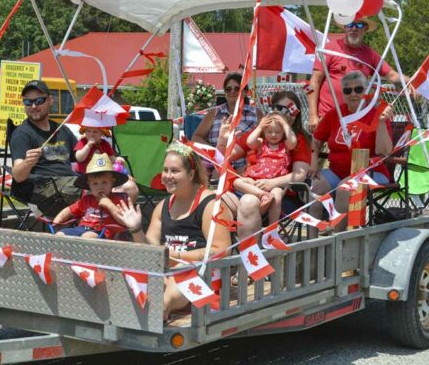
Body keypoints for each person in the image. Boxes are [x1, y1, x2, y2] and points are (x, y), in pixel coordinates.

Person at [116, 142, 232, 319]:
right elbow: (150, 250)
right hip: (167, 272)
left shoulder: (211, 205)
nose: (167, 176)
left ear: (191, 174)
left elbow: (221, 250)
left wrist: (175, 257)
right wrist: (136, 228)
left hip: (201, 274)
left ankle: (161, 309)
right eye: (165, 170)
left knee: (178, 278)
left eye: (175, 171)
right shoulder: (162, 207)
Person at [219, 91, 311, 240]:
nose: (283, 113)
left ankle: (251, 256)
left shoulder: (296, 139)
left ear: (296, 113)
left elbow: (299, 174)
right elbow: (225, 157)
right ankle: (222, 254)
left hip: (278, 192)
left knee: (248, 203)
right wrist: (223, 140)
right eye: (279, 108)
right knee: (215, 203)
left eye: (289, 110)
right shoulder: (262, 133)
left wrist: (270, 183)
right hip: (249, 184)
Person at [310, 71, 393, 229]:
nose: (353, 94)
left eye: (358, 89)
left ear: (366, 91)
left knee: (344, 188)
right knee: (315, 188)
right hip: (337, 172)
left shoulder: (376, 114)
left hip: (371, 172)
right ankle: (312, 244)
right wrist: (314, 163)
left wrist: (381, 123)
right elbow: (316, 139)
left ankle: (338, 240)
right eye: (348, 90)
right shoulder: (336, 113)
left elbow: (385, 152)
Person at [307, 18, 405, 132]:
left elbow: (392, 76)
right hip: (327, 117)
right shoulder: (329, 50)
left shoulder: (370, 55)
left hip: (356, 119)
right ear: (345, 27)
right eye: (350, 24)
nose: (354, 28)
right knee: (322, 149)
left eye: (359, 25)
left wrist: (413, 82)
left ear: (365, 29)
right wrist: (313, 115)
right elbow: (314, 81)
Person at [10, 79, 80, 217]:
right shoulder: (22, 134)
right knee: (97, 191)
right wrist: (27, 163)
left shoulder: (62, 129)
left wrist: (111, 162)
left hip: (69, 183)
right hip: (43, 188)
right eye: (28, 102)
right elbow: (18, 176)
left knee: (124, 188)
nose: (34, 106)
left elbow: (81, 156)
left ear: (50, 100)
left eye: (39, 101)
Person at [232, 114, 297, 230]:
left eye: (277, 132)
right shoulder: (261, 143)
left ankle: (272, 229)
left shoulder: (286, 145)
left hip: (273, 183)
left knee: (277, 194)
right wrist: (259, 127)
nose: (273, 135)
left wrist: (285, 125)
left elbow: (292, 141)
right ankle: (261, 195)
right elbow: (249, 142)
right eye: (269, 131)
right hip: (256, 180)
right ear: (264, 132)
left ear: (283, 133)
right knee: (237, 181)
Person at [191, 72, 261, 173]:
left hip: (246, 166)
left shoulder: (256, 113)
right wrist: (215, 153)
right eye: (228, 89)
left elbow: (264, 140)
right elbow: (196, 137)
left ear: (245, 92)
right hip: (217, 164)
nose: (232, 91)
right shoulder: (214, 112)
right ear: (225, 92)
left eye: (237, 88)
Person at [52, 153, 132, 239]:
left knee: (88, 237)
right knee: (60, 235)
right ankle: (60, 252)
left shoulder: (117, 200)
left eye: (104, 182)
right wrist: (56, 221)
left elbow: (124, 221)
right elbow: (69, 210)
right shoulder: (86, 199)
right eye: (95, 184)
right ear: (89, 186)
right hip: (81, 229)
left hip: (102, 232)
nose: (100, 187)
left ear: (112, 183)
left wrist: (109, 205)